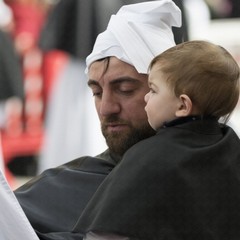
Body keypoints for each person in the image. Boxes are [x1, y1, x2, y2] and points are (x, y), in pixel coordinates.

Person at [14, 1, 182, 239]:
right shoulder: (64, 187)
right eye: (97, 92)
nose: (106, 108)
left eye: (124, 89)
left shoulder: (216, 169)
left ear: (170, 91)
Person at [74, 40, 240, 240]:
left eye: (152, 90)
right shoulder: (232, 148)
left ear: (183, 105)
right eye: (97, 93)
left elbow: (106, 233)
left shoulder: (148, 157)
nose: (146, 98)